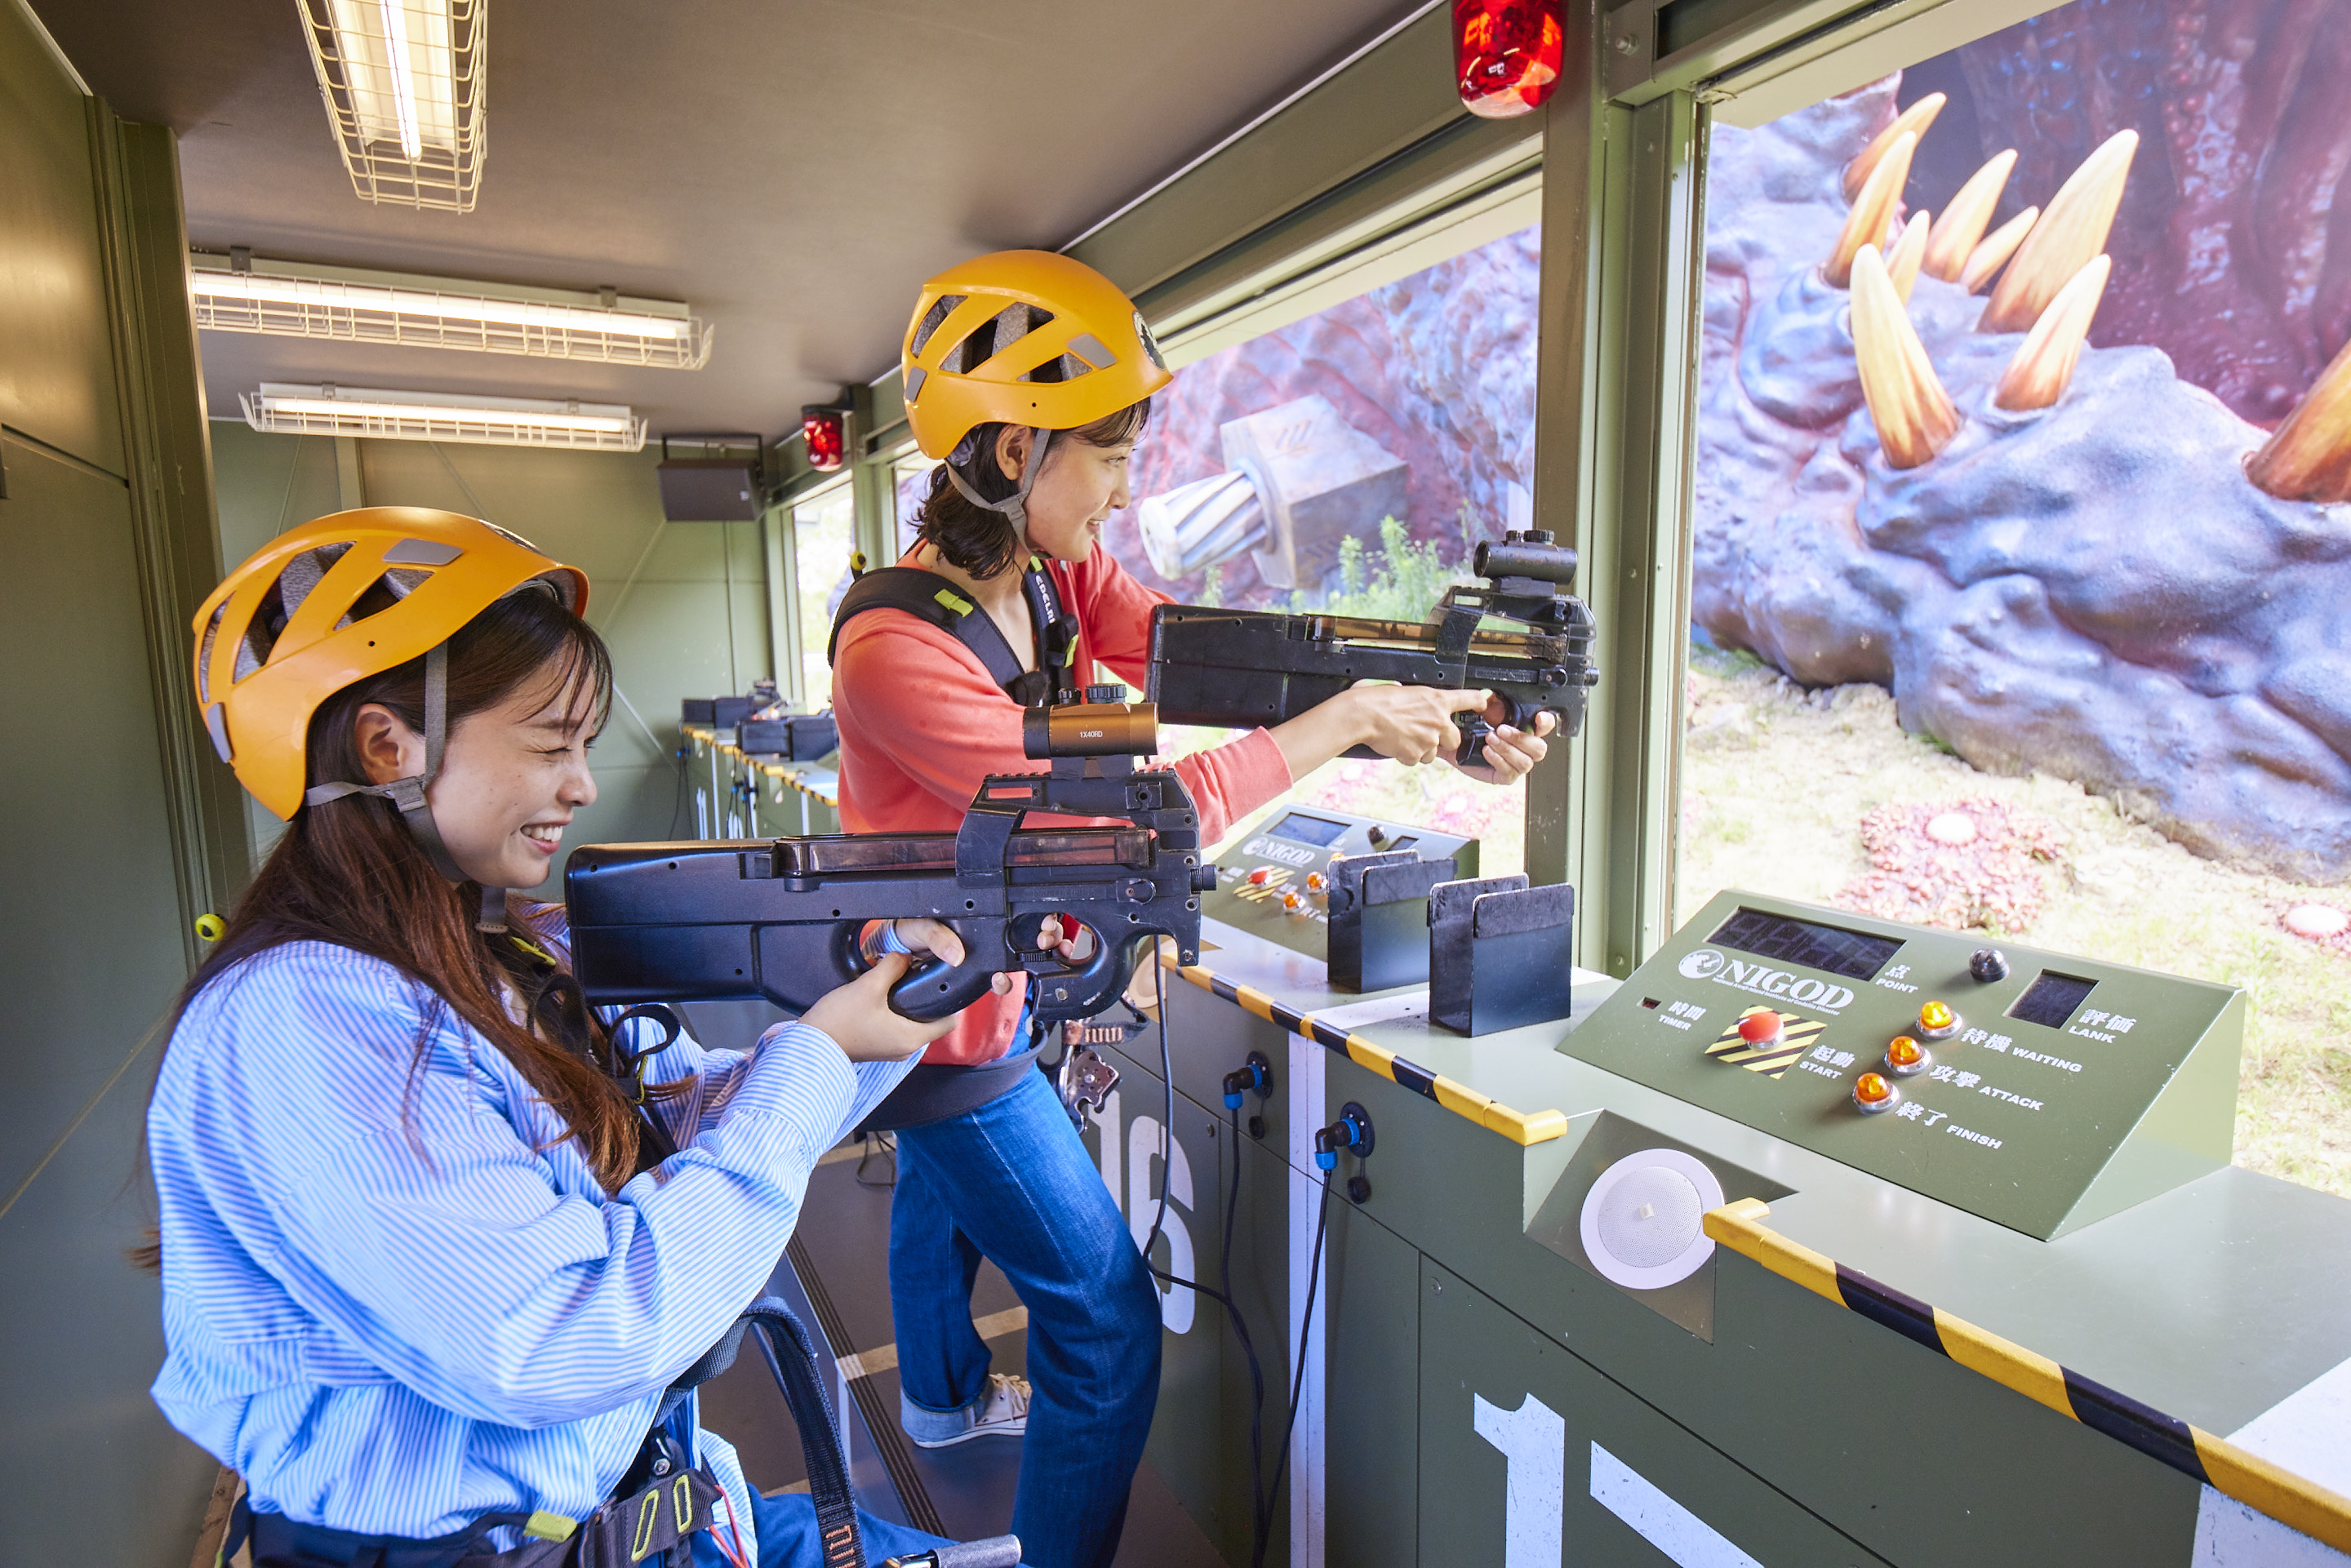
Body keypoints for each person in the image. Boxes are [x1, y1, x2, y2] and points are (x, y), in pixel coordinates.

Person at [829, 251, 1557, 1568]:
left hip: (997, 979)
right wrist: (1342, 724)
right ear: (1010, 448)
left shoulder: (1050, 578)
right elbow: (1121, 819)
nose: (1123, 488)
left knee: (936, 1203)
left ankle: (935, 1404)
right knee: (1103, 1321)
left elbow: (1208, 657)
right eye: (1107, 456)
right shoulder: (895, 648)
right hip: (935, 1024)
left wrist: (1435, 711)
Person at [149, 508, 1000, 1567]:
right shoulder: (305, 1026)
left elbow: (676, 1123)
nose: (583, 786)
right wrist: (818, 1050)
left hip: (654, 1514)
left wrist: (904, 1007)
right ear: (387, 745)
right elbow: (567, 1329)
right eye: (552, 745)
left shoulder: (483, 958)